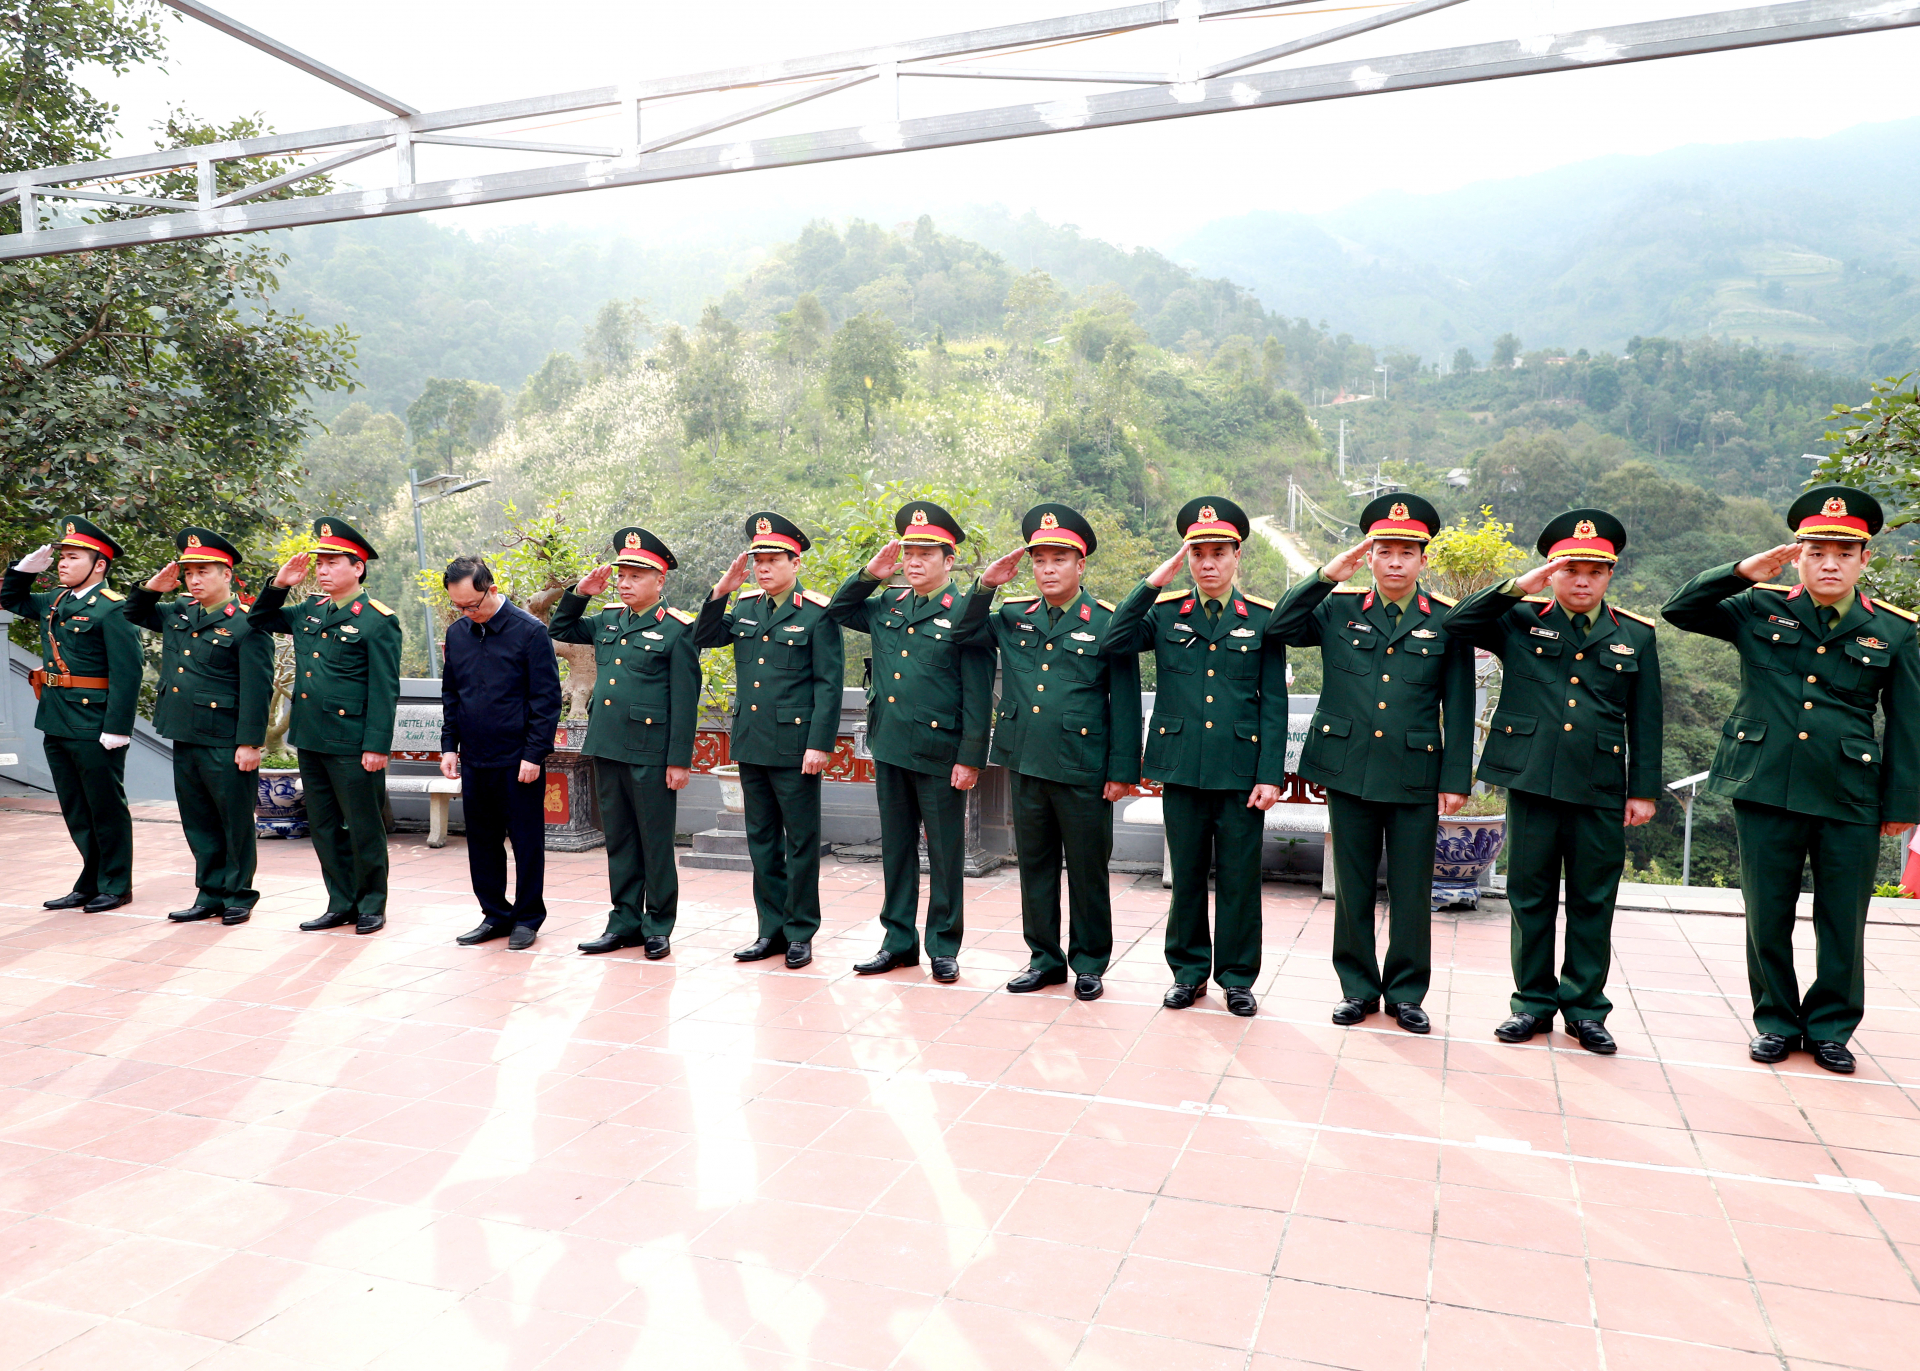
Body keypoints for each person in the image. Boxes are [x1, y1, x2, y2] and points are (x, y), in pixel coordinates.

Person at [1662, 485, 1919, 1074]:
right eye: (1816, 552)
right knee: (1767, 911)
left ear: (1864, 560)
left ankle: (1830, 1028)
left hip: (1849, 793)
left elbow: (1909, 725)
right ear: (1796, 555)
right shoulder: (1759, 607)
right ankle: (1776, 1021)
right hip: (1766, 783)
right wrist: (1740, 572)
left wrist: (1902, 803)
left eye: (1844, 553)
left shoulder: (1896, 632)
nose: (1830, 563)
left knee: (1843, 918)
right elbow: (1682, 611)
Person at [1444, 509, 1662, 1054]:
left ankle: (1586, 1010)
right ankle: (1532, 1004)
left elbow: (1647, 717)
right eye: (1569, 569)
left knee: (1593, 899)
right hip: (1532, 777)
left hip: (1600, 783)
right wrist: (1521, 586)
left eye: (1594, 570)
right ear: (1550, 571)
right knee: (1530, 895)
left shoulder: (1634, 635)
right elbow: (1459, 623)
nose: (1582, 580)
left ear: (1610, 574)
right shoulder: (1518, 618)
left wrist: (1643, 789)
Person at [1266, 495, 1474, 1033]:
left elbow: (1460, 700)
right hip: (1348, 769)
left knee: (1411, 889)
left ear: (1423, 559)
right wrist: (1328, 574)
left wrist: (1456, 779)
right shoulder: (1338, 608)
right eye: (1385, 551)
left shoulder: (1447, 620)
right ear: (1370, 556)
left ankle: (1406, 993)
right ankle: (1357, 989)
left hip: (1414, 773)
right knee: (1352, 886)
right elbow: (1281, 626)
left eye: (1408, 551)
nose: (1396, 562)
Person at [1103, 498, 1288, 1017]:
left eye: (1218, 553)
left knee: (1238, 879)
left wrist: (1269, 775)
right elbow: (1115, 639)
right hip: (1181, 767)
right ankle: (1187, 974)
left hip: (1239, 772)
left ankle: (1236, 978)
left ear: (1236, 558)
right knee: (1185, 877)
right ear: (1186, 559)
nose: (1208, 563)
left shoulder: (1263, 619)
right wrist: (1153, 582)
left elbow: (1273, 703)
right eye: (1197, 554)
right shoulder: (1163, 614)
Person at [969, 504, 1142, 1001]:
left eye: (1059, 559)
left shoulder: (1108, 622)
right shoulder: (1010, 615)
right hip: (1026, 762)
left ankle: (1089, 962)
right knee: (1036, 867)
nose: (1047, 569)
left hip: (1084, 769)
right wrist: (985, 587)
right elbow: (963, 633)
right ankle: (1044, 959)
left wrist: (1122, 770)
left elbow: (1125, 701)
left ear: (1080, 564)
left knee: (1088, 871)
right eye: (1039, 560)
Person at [824, 501, 994, 983]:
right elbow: (837, 610)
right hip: (892, 746)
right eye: (908, 552)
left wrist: (970, 758)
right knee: (896, 852)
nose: (914, 561)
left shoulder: (966, 611)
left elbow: (979, 693)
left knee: (944, 854)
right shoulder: (887, 605)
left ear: (949, 558)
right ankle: (898, 942)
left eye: (926, 553)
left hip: (942, 755)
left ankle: (943, 944)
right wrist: (869, 574)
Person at [693, 512, 845, 971]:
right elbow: (701, 636)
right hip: (752, 742)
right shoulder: (744, 607)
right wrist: (720, 591)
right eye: (758, 559)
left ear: (794, 563)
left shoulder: (817, 613)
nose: (763, 567)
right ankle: (770, 930)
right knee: (760, 843)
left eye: (774, 559)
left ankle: (800, 933)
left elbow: (828, 685)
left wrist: (819, 744)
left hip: (796, 747)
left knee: (800, 844)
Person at [548, 527, 698, 958]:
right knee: (620, 840)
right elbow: (562, 627)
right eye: (621, 575)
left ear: (659, 580)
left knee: (654, 841)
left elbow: (685, 702)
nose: (624, 583)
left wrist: (679, 760)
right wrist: (581, 592)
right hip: (608, 744)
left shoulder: (677, 630)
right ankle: (624, 922)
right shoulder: (608, 619)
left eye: (635, 575)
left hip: (652, 752)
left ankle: (658, 926)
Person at [249, 518, 403, 935]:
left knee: (363, 825)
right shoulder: (309, 610)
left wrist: (377, 745)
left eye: (333, 562)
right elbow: (259, 619)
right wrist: (279, 583)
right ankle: (340, 901)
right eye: (319, 562)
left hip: (353, 742)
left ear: (358, 567)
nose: (322, 569)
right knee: (324, 825)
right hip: (311, 736)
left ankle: (371, 903)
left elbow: (384, 689)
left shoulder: (377, 620)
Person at [125, 528, 274, 926]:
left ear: (227, 574)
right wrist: (152, 587)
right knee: (198, 820)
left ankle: (239, 894)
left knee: (234, 821)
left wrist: (250, 743)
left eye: (203, 571)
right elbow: (133, 612)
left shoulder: (247, 624)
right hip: (185, 732)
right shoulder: (178, 613)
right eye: (188, 572)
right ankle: (209, 893)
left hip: (226, 739)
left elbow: (257, 691)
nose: (194, 579)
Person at [2, 516, 141, 912]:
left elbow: (127, 675)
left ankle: (116, 884)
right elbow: (11, 600)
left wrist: (117, 728)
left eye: (73, 557)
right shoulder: (58, 600)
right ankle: (90, 880)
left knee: (105, 806)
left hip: (95, 724)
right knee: (77, 808)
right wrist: (22, 570)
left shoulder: (114, 610)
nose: (63, 563)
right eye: (61, 556)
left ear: (99, 564)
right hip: (57, 718)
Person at [439, 556, 563, 952]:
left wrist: (534, 753)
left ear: (491, 589)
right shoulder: (458, 634)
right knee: (482, 842)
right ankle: (495, 913)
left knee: (526, 842)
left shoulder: (529, 632)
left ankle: (528, 918)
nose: (467, 614)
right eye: (459, 607)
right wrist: (448, 746)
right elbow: (452, 696)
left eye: (472, 605)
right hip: (475, 756)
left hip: (518, 759)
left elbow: (546, 700)